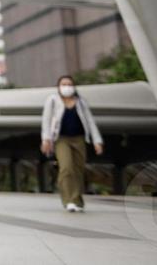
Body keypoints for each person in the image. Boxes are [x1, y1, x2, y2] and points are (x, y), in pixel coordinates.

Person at [41, 74, 104, 212]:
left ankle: (77, 200)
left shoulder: (80, 102)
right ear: (58, 87)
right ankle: (68, 200)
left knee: (78, 170)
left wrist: (97, 141)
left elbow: (90, 121)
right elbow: (46, 120)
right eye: (63, 84)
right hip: (61, 139)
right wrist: (46, 139)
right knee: (66, 167)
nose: (67, 87)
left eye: (69, 84)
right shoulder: (52, 100)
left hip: (79, 138)